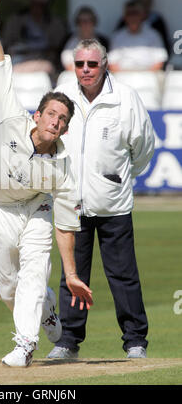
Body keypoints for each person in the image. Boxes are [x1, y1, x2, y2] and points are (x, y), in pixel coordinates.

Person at [0, 0, 93, 367]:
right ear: (37, 115)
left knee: (33, 268)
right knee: (7, 289)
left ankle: (25, 345)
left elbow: (65, 224)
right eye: (51, 115)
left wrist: (73, 274)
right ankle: (44, 306)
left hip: (36, 209)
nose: (56, 123)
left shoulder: (62, 168)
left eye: (62, 119)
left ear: (65, 128)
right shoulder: (11, 116)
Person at [47, 38, 155, 360]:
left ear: (104, 64)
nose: (85, 70)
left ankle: (135, 341)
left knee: (123, 276)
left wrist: (118, 179)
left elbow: (144, 147)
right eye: (80, 64)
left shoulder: (125, 98)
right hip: (71, 203)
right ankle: (67, 341)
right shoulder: (63, 94)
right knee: (72, 277)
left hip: (113, 204)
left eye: (92, 64)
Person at [1, 0, 67, 79]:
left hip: (43, 62)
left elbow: (57, 49)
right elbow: (7, 45)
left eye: (41, 4)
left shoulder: (55, 23)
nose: (37, 8)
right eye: (34, 3)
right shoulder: (16, 20)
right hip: (18, 60)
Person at [108, 0, 168, 72]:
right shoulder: (117, 36)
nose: (133, 17)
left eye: (136, 13)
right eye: (129, 14)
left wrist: (145, 77)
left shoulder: (153, 35)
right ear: (124, 16)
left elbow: (160, 61)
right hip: (123, 76)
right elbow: (112, 63)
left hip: (149, 77)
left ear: (143, 15)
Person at [61, 6, 109, 72]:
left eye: (89, 20)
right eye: (82, 21)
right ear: (77, 23)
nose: (86, 24)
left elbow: (106, 64)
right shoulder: (68, 40)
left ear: (94, 22)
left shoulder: (103, 41)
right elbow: (67, 64)